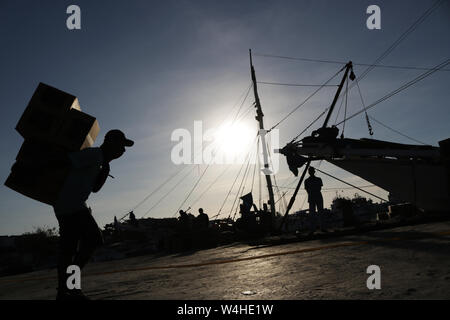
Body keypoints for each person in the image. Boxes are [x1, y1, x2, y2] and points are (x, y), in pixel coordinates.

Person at [53, 129, 133, 300]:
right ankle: (69, 286)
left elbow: (95, 188)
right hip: (70, 204)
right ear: (111, 143)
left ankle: (65, 291)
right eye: (121, 146)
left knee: (69, 249)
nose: (123, 151)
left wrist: (105, 169)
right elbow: (66, 161)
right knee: (94, 239)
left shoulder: (101, 161)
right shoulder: (94, 154)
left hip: (69, 205)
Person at [304, 167, 325, 233]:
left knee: (317, 213)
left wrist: (312, 193)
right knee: (315, 213)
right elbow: (319, 188)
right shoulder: (317, 179)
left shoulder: (307, 181)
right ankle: (316, 229)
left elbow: (308, 190)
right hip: (316, 197)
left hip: (314, 197)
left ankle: (317, 229)